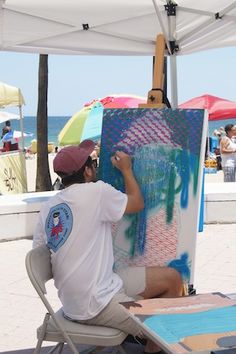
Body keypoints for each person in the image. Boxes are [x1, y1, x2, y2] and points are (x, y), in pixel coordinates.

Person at [33, 139, 183, 354]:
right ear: (86, 171)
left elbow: (40, 251)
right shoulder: (97, 192)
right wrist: (127, 169)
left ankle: (151, 348)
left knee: (172, 279)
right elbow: (137, 203)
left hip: (82, 297)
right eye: (92, 163)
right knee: (168, 327)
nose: (95, 166)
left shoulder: (49, 207)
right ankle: (157, 345)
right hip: (96, 304)